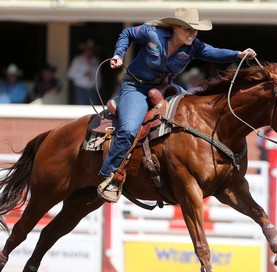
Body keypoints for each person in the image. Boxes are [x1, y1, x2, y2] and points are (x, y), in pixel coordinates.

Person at [97, 7, 257, 203]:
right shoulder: (152, 33)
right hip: (136, 87)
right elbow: (127, 33)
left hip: (165, 87)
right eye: (188, 29)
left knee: (193, 115)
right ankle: (110, 175)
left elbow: (214, 53)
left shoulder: (194, 46)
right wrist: (119, 54)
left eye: (195, 29)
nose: (193, 33)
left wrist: (238, 55)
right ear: (175, 28)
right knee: (129, 129)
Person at [68, 39, 100, 105]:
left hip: (92, 90)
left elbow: (98, 76)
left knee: (93, 112)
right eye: (88, 49)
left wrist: (98, 88)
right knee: (81, 111)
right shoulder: (77, 60)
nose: (89, 51)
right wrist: (83, 74)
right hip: (80, 90)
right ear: (84, 49)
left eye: (91, 49)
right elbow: (70, 75)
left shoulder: (95, 60)